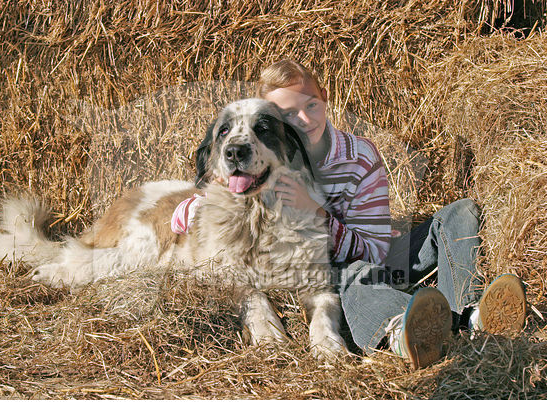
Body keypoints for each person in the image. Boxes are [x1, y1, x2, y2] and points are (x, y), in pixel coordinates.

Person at [174, 59, 528, 368]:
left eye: (310, 105)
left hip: (370, 251)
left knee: (460, 212)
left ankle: (470, 315)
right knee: (356, 274)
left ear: (325, 99)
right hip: (336, 269)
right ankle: (401, 331)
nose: (303, 119)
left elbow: (375, 249)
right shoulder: (270, 163)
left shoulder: (358, 155)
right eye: (286, 115)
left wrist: (313, 211)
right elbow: (210, 209)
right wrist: (198, 203)